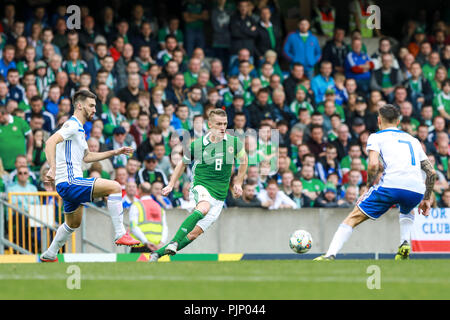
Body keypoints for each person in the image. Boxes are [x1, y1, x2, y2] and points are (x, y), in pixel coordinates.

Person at [314, 104, 437, 261]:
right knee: (407, 208)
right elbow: (431, 172)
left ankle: (330, 254)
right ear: (398, 121)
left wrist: (367, 188)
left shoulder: (376, 137)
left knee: (353, 218)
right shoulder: (413, 140)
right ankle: (405, 242)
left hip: (391, 186)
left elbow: (372, 165)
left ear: (379, 120)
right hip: (416, 189)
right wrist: (426, 198)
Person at [40, 90, 140, 262]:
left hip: (68, 184)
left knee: (73, 223)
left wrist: (115, 152)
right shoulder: (71, 125)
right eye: (91, 105)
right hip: (71, 182)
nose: (95, 109)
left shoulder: (79, 129)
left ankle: (50, 253)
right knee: (115, 187)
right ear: (80, 105)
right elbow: (50, 142)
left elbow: (87, 156)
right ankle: (120, 234)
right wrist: (52, 168)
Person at [149, 109, 248, 262]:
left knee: (193, 234)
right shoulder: (198, 144)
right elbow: (182, 164)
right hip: (201, 185)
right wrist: (170, 184)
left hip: (220, 196)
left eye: (225, 124)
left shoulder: (233, 142)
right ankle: (174, 242)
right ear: (210, 125)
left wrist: (239, 183)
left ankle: (157, 254)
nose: (222, 127)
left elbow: (244, 161)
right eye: (218, 124)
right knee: (203, 208)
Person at [129, 182, 168, 253]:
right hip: (157, 246)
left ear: (139, 190)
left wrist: (146, 242)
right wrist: (162, 243)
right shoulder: (159, 207)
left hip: (140, 246)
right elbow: (165, 227)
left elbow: (133, 227)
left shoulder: (136, 206)